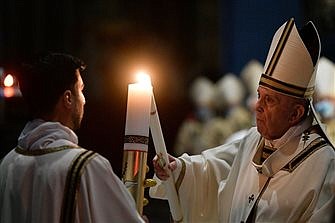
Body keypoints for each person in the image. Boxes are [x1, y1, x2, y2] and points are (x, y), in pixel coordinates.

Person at [150, 18, 335, 222]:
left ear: (296, 113)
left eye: (270, 100)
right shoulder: (253, 140)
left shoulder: (325, 165)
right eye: (259, 95)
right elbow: (214, 168)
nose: (258, 106)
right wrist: (179, 169)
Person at [0, 53, 145, 222]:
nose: (84, 100)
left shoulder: (6, 164)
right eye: (81, 89)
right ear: (68, 98)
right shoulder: (87, 166)